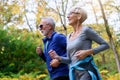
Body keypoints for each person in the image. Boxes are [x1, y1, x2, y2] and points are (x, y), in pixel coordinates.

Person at [49, 6, 109, 80]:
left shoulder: (86, 30)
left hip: (86, 71)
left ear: (79, 16)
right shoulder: (68, 36)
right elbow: (70, 60)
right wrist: (58, 57)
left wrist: (88, 52)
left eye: (70, 13)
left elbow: (105, 45)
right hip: (74, 74)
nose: (67, 16)